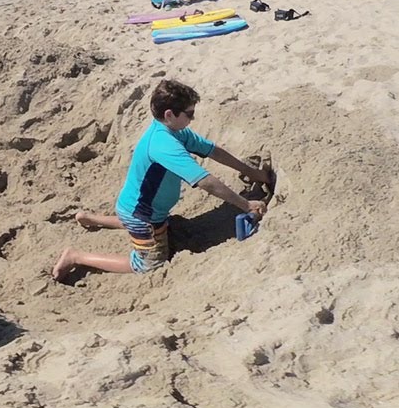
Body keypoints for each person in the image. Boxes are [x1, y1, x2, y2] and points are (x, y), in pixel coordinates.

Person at [52, 79, 270, 282]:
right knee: (148, 264)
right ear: (169, 115)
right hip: (142, 216)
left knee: (160, 224)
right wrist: (246, 204)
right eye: (189, 114)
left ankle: (92, 219)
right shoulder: (163, 145)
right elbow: (205, 181)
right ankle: (76, 256)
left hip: (141, 209)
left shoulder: (176, 131)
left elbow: (213, 151)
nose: (192, 118)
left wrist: (252, 172)